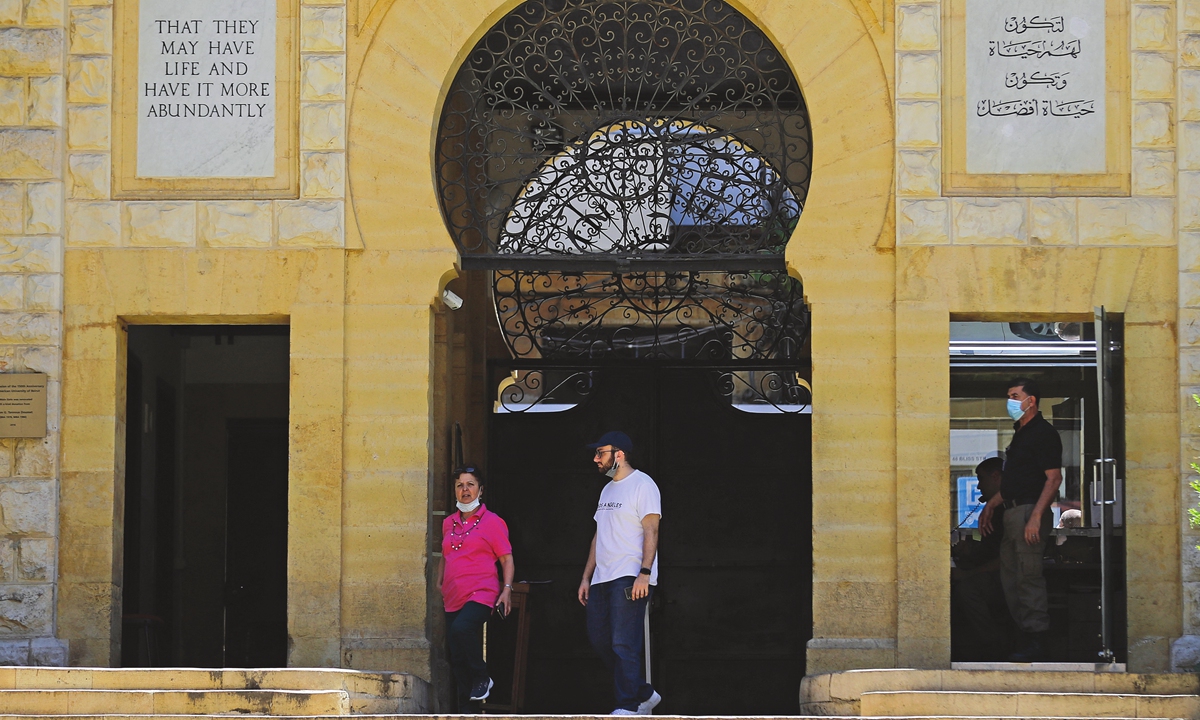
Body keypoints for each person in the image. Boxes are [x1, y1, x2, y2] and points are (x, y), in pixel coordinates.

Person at [577, 431, 662, 716]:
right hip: (602, 577)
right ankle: (644, 692)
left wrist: (644, 574)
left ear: (619, 454)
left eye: (600, 453)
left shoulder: (643, 485)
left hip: (629, 575)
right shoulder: (607, 490)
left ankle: (628, 705)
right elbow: (598, 536)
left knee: (623, 643)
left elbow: (651, 531)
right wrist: (586, 577)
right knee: (600, 639)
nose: (596, 458)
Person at [979, 378, 1063, 662]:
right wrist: (992, 503)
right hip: (1014, 511)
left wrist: (1036, 517)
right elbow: (1017, 481)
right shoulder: (1021, 434)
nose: (1011, 401)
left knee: (1028, 578)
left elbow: (1053, 480)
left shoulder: (1043, 433)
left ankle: (1037, 641)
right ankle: (1023, 637)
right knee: (1011, 579)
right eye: (1009, 396)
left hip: (1029, 511)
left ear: (1032, 401)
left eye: (1015, 396)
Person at [436, 466, 514, 708]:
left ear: (480, 489)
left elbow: (506, 559)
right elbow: (445, 555)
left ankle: (482, 676)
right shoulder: (449, 522)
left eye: (470, 484)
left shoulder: (493, 522)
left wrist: (507, 589)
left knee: (462, 629)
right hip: (452, 595)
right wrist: (440, 581)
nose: (465, 489)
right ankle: (466, 710)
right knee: (457, 656)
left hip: (482, 592)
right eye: (460, 485)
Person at [951, 456, 1009, 660]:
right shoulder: (993, 511)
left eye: (981, 479)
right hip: (991, 573)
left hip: (1004, 579)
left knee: (967, 590)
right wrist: (970, 550)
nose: (978, 486)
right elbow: (990, 549)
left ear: (995, 477)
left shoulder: (1007, 510)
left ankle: (993, 648)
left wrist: (966, 575)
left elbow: (1003, 559)